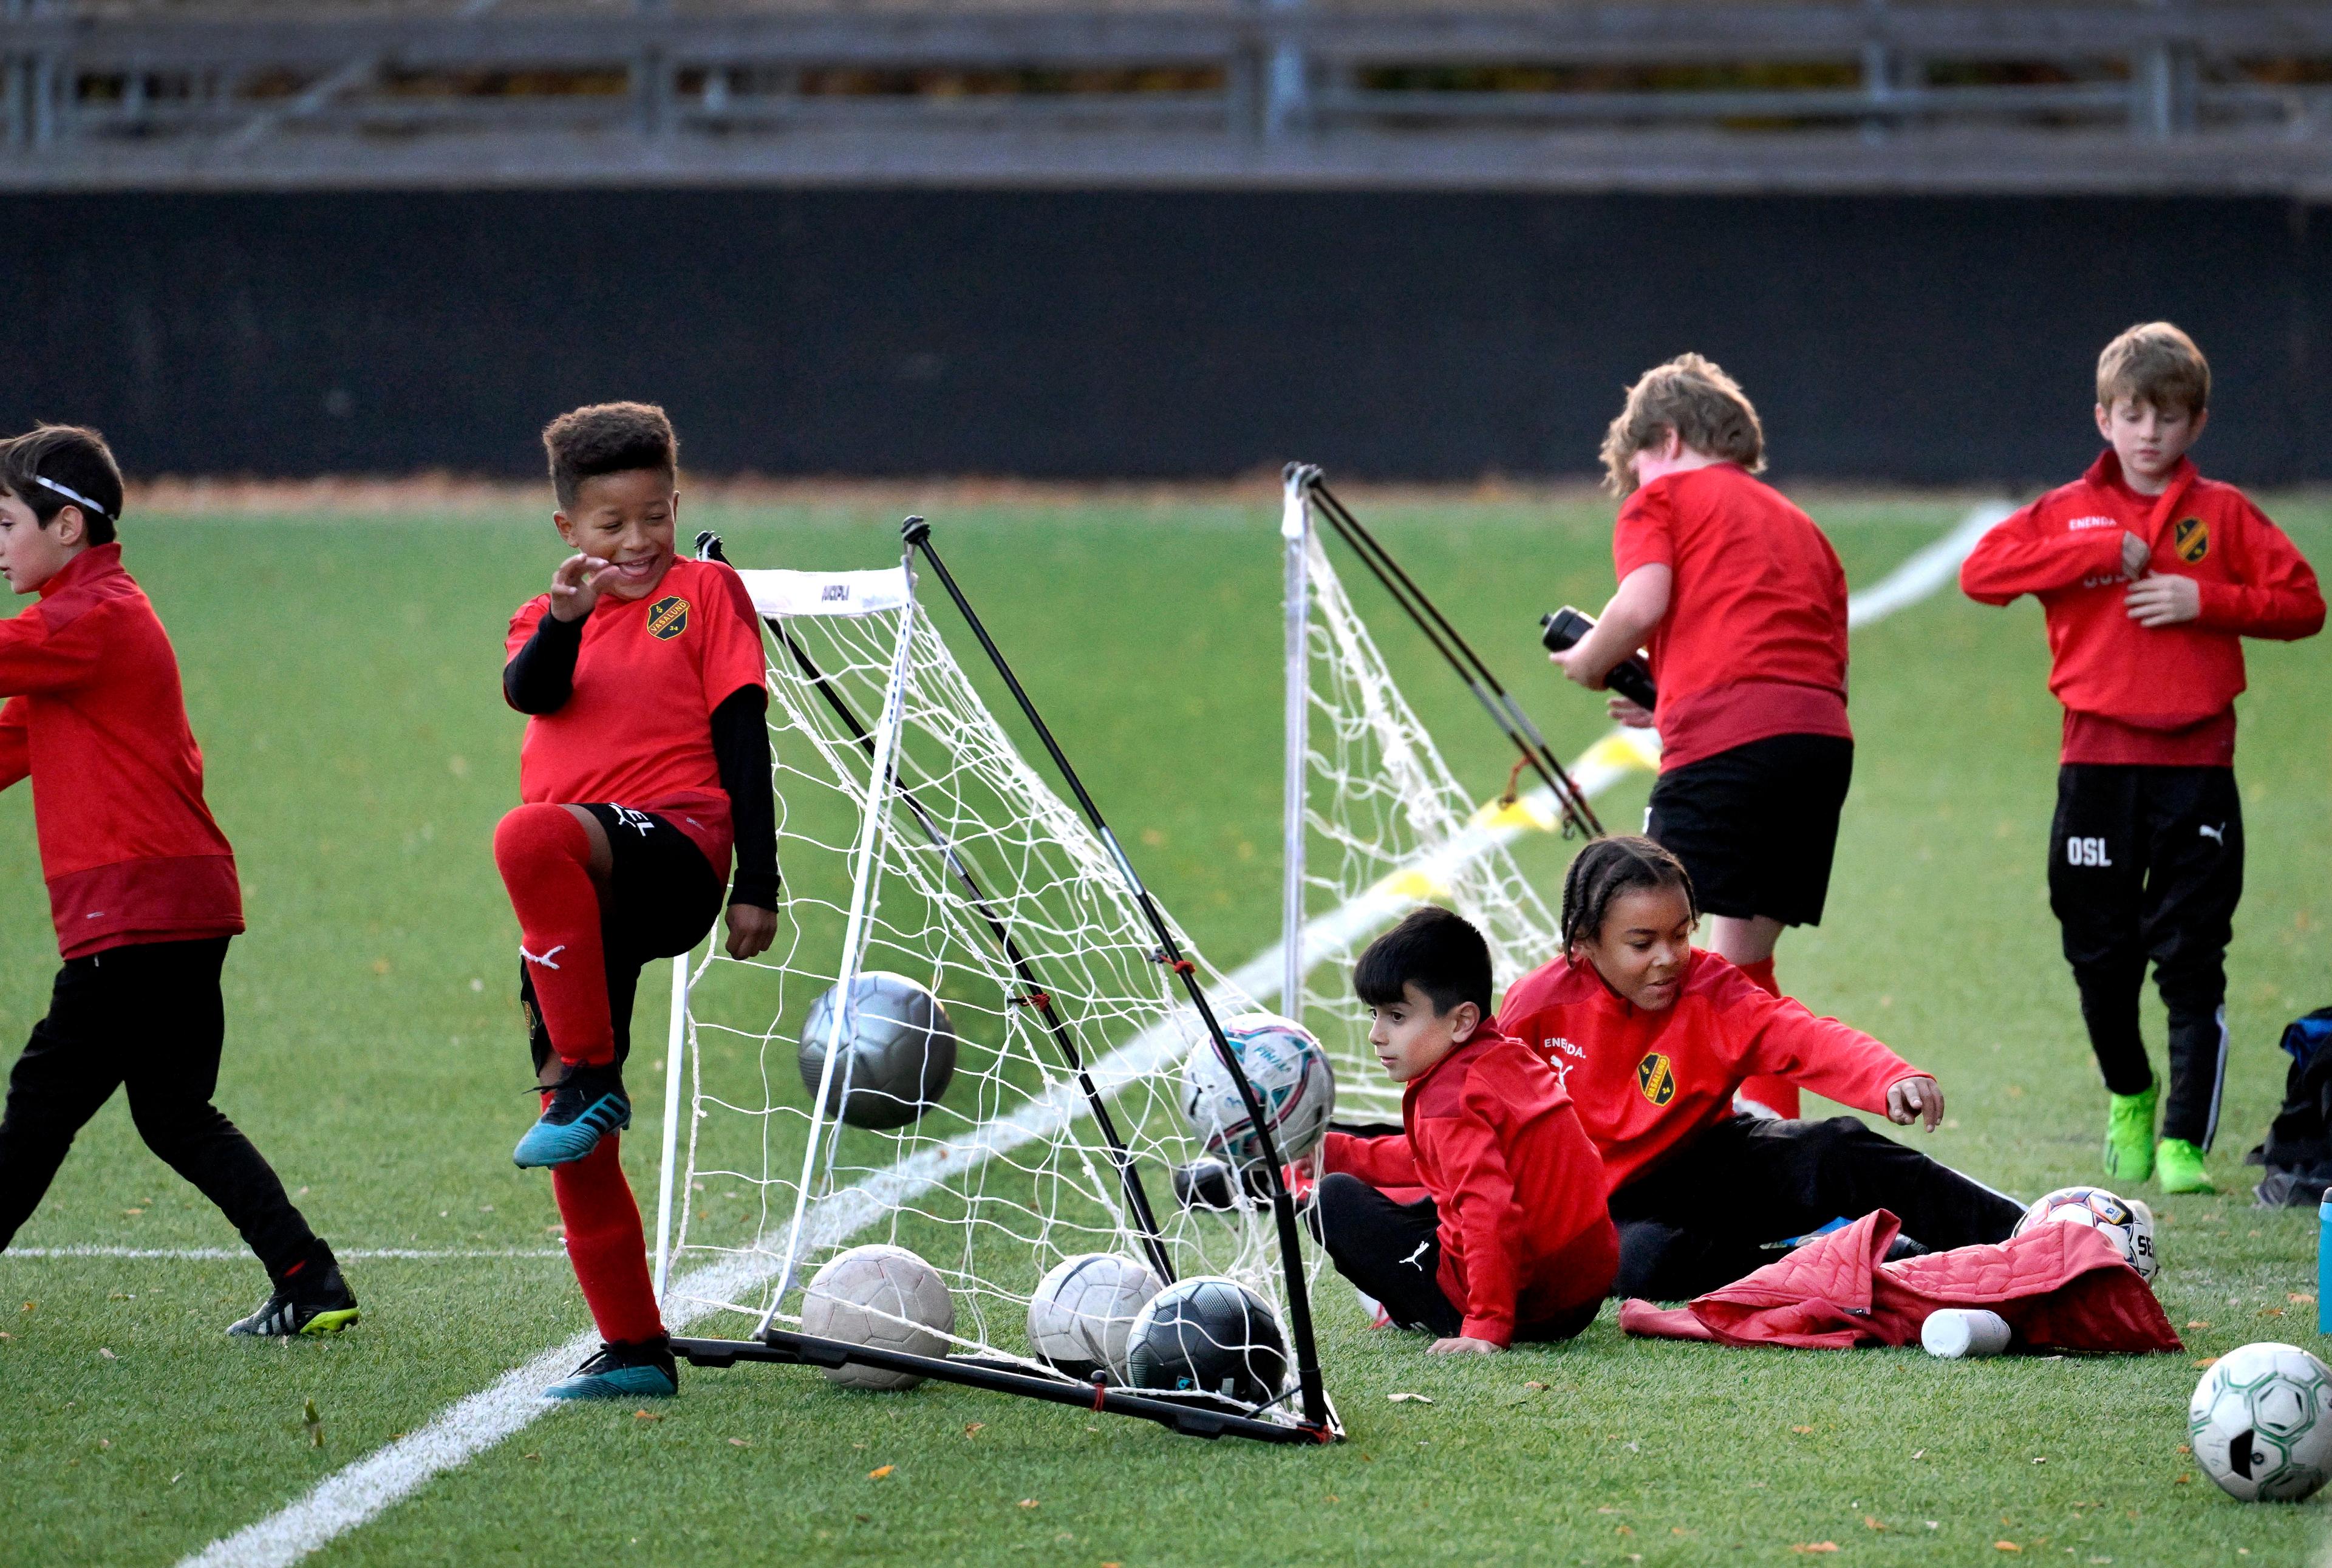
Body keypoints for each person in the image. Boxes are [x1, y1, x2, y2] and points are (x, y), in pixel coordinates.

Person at [0, 424, 356, 1336]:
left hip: (137, 919)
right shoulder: (80, 629)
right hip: (178, 909)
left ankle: (309, 1277)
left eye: (6, 524)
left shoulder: (90, 619)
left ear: (68, 526)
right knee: (173, 1113)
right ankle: (309, 1278)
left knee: (41, 1104)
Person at [1960, 321, 2322, 1195]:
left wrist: (2208, 598)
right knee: (2100, 952)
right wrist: (2089, 552)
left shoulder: (2226, 514)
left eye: (2167, 415)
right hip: (2095, 767)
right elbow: (1983, 574)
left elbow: (2304, 603)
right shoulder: (2066, 512)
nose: (2149, 432)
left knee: (2193, 953)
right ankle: (2131, 1090)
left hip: (2198, 767)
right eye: (2133, 414)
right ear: (2104, 419)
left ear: (2196, 423)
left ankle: (2182, 1142)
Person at [496, 402, 779, 1399]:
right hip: (576, 911)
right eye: (612, 525)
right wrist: (570, 620)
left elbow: (744, 737)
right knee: (574, 1143)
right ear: (568, 530)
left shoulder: (705, 594)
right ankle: (635, 1350)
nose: (638, 542)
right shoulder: (546, 615)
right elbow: (531, 692)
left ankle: (588, 1076)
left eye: (655, 516)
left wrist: (759, 881)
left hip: (677, 850)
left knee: (528, 829)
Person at [1497, 836, 2022, 1302]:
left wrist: (1890, 1076)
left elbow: (1801, 1035)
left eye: (1681, 935)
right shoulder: (1537, 1007)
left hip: (1713, 1162)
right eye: (1642, 943)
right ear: (1585, 941)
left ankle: (2026, 1234)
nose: (1668, 957)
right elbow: (1492, 1119)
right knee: (1644, 1264)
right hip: (1608, 1208)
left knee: (1835, 1149)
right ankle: (1870, 1268)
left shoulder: (1710, 988)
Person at [1550, 353, 1853, 1121]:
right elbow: (1791, 654)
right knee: (1741, 969)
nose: (1640, 481)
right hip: (1816, 747)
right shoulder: (1802, 525)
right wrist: (1675, 697)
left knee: (1646, 945)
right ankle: (1782, 1150)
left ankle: (1638, 1141)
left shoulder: (1665, 499)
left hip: (1725, 748)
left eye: (1640, 464)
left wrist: (1593, 660)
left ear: (1671, 437)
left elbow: (1644, 597)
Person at [1307, 906, 1618, 1352]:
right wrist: (1334, 1150)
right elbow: (1434, 1158)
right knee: (1424, 1196)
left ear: (1461, 1021)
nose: (1376, 1034)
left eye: (1396, 1016)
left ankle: (1409, 1306)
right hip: (1582, 1288)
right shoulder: (1507, 1055)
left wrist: (1486, 1326)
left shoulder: (1447, 1098)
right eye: (1374, 1015)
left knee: (1334, 1201)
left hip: (1532, 1300)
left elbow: (1487, 1209)